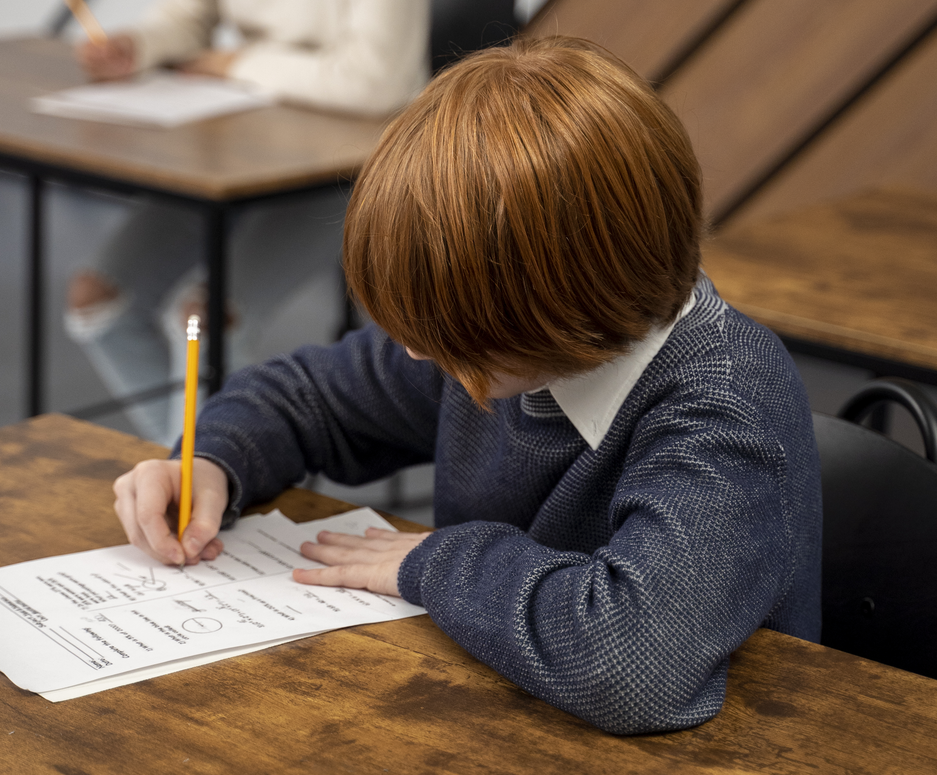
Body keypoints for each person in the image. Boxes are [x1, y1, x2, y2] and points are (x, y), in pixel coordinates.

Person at [112, 36, 823, 735]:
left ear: (561, 305)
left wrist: (434, 562)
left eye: (449, 335)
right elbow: (308, 395)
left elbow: (627, 661)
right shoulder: (493, 343)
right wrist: (213, 459)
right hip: (510, 719)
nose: (417, 350)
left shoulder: (725, 403)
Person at [66, 0, 430, 445]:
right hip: (246, 136)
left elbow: (380, 82)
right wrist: (138, 46)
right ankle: (194, 469)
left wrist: (236, 63)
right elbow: (190, 14)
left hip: (358, 161)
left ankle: (200, 480)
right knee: (98, 298)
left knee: (203, 316)